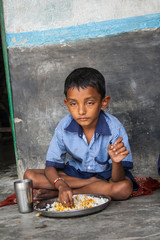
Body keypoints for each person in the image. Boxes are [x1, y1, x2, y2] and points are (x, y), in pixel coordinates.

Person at [24, 67, 138, 207]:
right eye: (73, 104)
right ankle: (88, 186)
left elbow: (117, 178)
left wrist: (116, 162)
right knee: (29, 176)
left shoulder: (115, 128)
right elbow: (50, 167)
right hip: (74, 175)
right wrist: (60, 185)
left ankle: (69, 192)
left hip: (106, 175)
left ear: (104, 102)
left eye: (89, 103)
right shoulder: (64, 126)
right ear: (67, 104)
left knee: (123, 188)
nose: (81, 111)